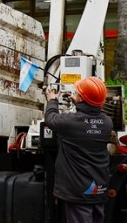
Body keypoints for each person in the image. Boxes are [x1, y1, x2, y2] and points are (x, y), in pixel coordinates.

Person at [45, 77, 113, 223]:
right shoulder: (107, 123)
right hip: (98, 188)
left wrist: (52, 100)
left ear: (82, 98)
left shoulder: (70, 122)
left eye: (77, 93)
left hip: (78, 190)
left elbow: (51, 118)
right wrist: (79, 102)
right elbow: (88, 119)